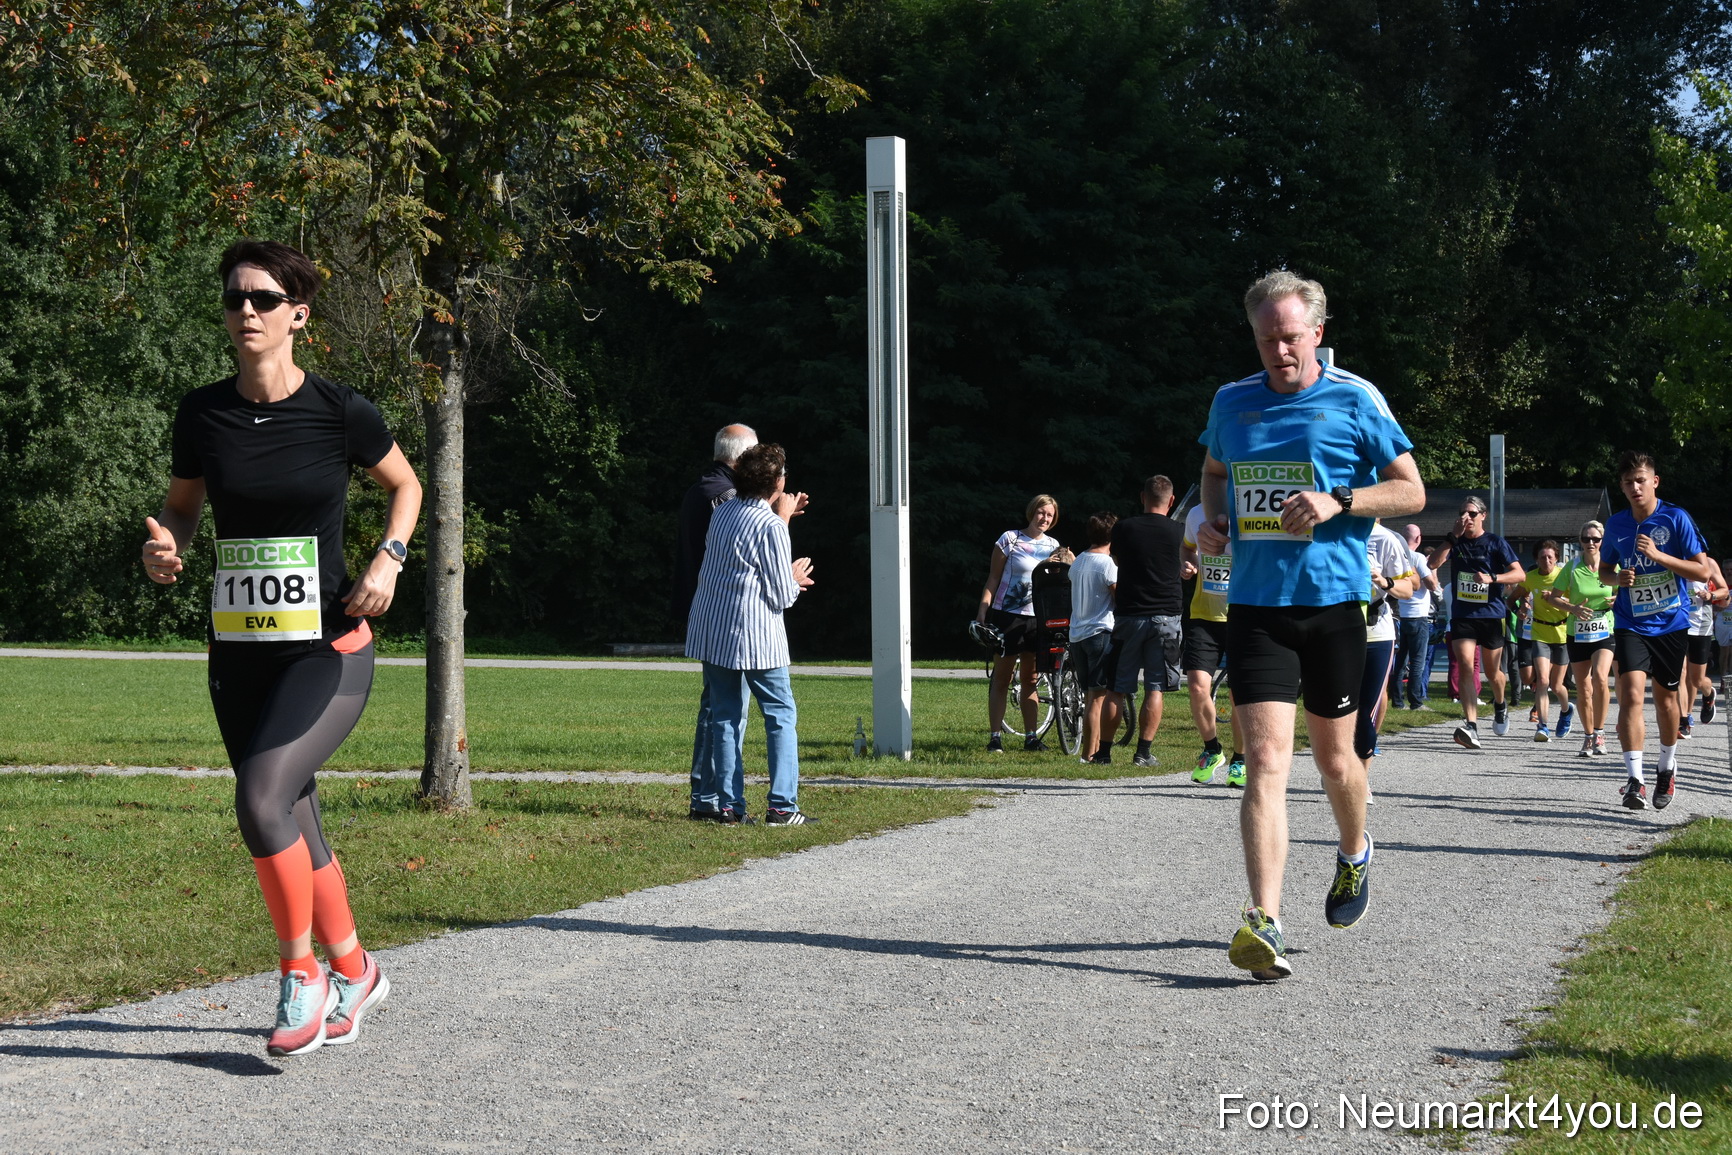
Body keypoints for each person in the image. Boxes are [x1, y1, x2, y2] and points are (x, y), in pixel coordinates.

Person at [143, 239, 422, 1056]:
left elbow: (405, 485)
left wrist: (389, 558)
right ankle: (357, 968)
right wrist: (170, 548)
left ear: (298, 313)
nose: (246, 313)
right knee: (295, 812)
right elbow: (184, 509)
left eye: (263, 299)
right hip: (239, 653)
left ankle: (299, 973)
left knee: (262, 800)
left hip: (327, 649)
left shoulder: (339, 409)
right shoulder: (202, 414)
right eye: (234, 300)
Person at [1194, 270, 1424, 980]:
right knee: (1262, 760)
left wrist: (1340, 500)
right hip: (1257, 607)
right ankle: (1264, 920)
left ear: (1317, 332)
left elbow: (1413, 490)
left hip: (1334, 608)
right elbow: (1211, 469)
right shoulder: (1232, 401)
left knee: (1335, 762)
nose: (1278, 349)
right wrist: (1213, 518)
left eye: (1290, 336)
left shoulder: (1356, 397)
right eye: (1266, 338)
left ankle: (1355, 850)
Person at [684, 443, 817, 824]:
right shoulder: (770, 525)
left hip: (714, 631)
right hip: (755, 636)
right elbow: (781, 595)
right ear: (777, 481)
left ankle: (728, 807)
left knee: (725, 717)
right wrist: (792, 575)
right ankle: (782, 806)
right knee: (780, 715)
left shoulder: (723, 513)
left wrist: (783, 518)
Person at [1600, 451, 1711, 810]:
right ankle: (1635, 780)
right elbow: (1604, 572)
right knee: (1630, 694)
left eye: (1641, 480)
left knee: (1665, 702)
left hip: (1671, 623)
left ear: (1654, 482)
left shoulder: (1675, 518)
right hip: (1631, 622)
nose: (1635, 487)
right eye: (1628, 482)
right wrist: (1617, 578)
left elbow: (1703, 572)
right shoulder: (1616, 524)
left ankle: (1666, 767)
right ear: (1621, 486)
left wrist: (1661, 557)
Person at [672, 424, 765, 821]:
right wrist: (778, 519)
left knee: (715, 706)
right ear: (741, 458)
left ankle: (706, 795)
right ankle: (711, 797)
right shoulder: (725, 497)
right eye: (757, 456)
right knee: (725, 710)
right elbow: (746, 555)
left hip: (704, 610)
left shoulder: (701, 489)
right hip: (726, 615)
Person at [976, 495, 1072, 752]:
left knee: (1031, 678)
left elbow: (1058, 584)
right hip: (1008, 614)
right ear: (1032, 512)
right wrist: (982, 611)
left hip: (1039, 617)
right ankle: (995, 736)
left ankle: (1031, 737)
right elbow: (993, 579)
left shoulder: (1054, 545)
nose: (1045, 519)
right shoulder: (1010, 539)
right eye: (1041, 513)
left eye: (1050, 515)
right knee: (1002, 677)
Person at [1429, 496, 1523, 749]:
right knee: (1466, 667)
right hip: (1463, 616)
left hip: (1491, 615)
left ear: (1483, 515)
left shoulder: (1494, 542)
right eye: (1462, 513)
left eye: (1471, 513)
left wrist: (1493, 578)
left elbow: (1519, 573)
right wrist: (1451, 538)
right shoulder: (1455, 542)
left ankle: (1500, 703)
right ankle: (1471, 725)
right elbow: (1432, 563)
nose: (1466, 518)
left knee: (1493, 673)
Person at [1110, 476, 1186, 769]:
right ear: (1171, 500)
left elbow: (1116, 559)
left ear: (1142, 497)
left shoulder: (1124, 528)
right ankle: (1143, 753)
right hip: (1166, 616)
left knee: (1117, 687)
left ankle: (1103, 752)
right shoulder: (1179, 531)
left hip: (1129, 615)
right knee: (1155, 687)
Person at [1183, 500, 1244, 786]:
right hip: (1203, 616)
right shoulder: (1196, 514)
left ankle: (1239, 760)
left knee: (1238, 695)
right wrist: (1187, 563)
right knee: (1196, 686)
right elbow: (1187, 548)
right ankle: (1212, 749)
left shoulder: (1251, 511)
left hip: (1243, 615)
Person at [1544, 520, 1616, 758]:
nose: (1591, 543)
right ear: (1580, 542)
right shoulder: (1572, 567)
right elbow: (1553, 598)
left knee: (1601, 679)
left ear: (1602, 540)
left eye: (1595, 539)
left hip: (1605, 629)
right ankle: (1587, 737)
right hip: (1578, 632)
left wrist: (1619, 600)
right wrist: (1573, 608)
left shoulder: (1613, 566)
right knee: (1584, 687)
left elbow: (1627, 589)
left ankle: (1600, 733)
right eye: (1586, 539)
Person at [1357, 522, 1416, 779]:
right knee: (1338, 709)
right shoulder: (1329, 530)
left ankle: (1360, 778)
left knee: (1366, 708)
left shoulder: (1385, 539)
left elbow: (1409, 588)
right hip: (1336, 629)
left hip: (1376, 631)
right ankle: (1337, 768)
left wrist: (1384, 581)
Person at [1068, 512, 1123, 763]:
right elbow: (1119, 598)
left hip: (1077, 634)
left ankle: (1092, 748)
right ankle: (1090, 753)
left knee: (1090, 695)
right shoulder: (1107, 564)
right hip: (1100, 632)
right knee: (1097, 697)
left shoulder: (1078, 561)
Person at [1518, 541, 1574, 742]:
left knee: (1558, 686)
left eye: (1550, 557)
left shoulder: (1564, 576)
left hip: (1562, 633)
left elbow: (1575, 604)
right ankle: (1542, 727)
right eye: (1543, 557)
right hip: (1540, 633)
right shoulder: (1530, 578)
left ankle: (1567, 711)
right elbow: (1514, 598)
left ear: (1557, 558)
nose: (1547, 560)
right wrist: (1522, 607)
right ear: (1536, 559)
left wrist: (1557, 599)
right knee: (1542, 681)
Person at [1391, 523, 1439, 710]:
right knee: (1418, 661)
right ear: (1418, 539)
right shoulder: (1418, 557)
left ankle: (1397, 700)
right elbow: (1432, 585)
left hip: (1402, 614)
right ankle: (1416, 701)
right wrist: (1431, 571)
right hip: (1419, 616)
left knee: (1401, 660)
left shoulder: (1396, 556)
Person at [1677, 563, 1728, 739]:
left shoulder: (1708, 562)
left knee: (1696, 678)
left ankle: (1708, 692)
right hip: (1676, 624)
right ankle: (1683, 720)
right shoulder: (1672, 557)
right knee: (1679, 673)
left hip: (1700, 626)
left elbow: (1724, 591)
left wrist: (1710, 595)